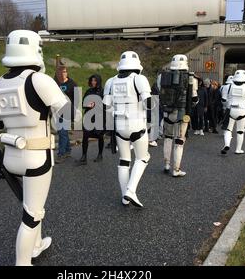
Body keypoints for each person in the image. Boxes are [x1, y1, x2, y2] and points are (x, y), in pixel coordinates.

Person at [0, 30, 68, 266]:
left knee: (34, 206)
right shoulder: (40, 80)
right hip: (37, 157)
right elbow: (66, 116)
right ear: (36, 49)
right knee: (31, 215)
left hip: (11, 156)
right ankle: (22, 262)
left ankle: (36, 245)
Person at [103, 51, 151, 208]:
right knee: (142, 158)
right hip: (137, 124)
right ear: (137, 65)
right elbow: (149, 104)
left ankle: (124, 197)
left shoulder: (110, 81)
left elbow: (106, 106)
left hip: (119, 126)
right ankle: (130, 190)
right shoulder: (139, 79)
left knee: (124, 161)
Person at [157, 54, 198, 177]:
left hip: (167, 112)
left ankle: (166, 164)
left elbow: (160, 93)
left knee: (168, 138)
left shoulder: (161, 76)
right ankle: (176, 169)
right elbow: (194, 99)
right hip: (182, 113)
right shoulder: (191, 78)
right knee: (180, 140)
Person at [221, 70, 245, 155]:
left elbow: (223, 100)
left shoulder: (227, 87)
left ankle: (227, 144)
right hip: (242, 110)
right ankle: (238, 149)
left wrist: (229, 104)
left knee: (228, 129)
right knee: (240, 131)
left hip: (230, 109)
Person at [54, 60, 78, 164]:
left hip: (68, 111)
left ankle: (61, 154)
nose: (63, 74)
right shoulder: (55, 83)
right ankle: (68, 150)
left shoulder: (72, 84)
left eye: (64, 72)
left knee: (62, 132)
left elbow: (77, 99)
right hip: (57, 111)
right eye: (60, 72)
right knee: (62, 132)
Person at [77, 74, 105, 165]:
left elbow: (107, 105)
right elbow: (82, 103)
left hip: (99, 117)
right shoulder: (89, 91)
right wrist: (87, 105)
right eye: (92, 80)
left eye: (95, 80)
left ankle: (100, 155)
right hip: (88, 117)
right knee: (85, 136)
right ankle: (83, 157)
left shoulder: (103, 91)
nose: (93, 82)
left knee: (100, 136)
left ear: (98, 81)